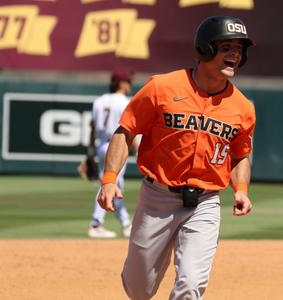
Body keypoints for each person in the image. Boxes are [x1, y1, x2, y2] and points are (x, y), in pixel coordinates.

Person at [97, 16, 256, 299]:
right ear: (205, 49)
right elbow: (126, 131)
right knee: (139, 288)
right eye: (227, 46)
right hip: (157, 197)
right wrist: (109, 180)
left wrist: (241, 190)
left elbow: (241, 154)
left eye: (240, 49)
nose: (235, 53)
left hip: (205, 202)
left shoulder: (242, 107)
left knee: (191, 286)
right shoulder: (162, 87)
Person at [87, 69, 138, 239]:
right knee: (112, 185)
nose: (130, 84)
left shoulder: (99, 101)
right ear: (122, 83)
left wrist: (90, 151)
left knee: (111, 184)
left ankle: (125, 223)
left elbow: (92, 128)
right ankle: (96, 223)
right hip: (116, 146)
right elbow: (129, 130)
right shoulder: (125, 101)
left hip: (101, 144)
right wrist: (138, 149)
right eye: (128, 81)